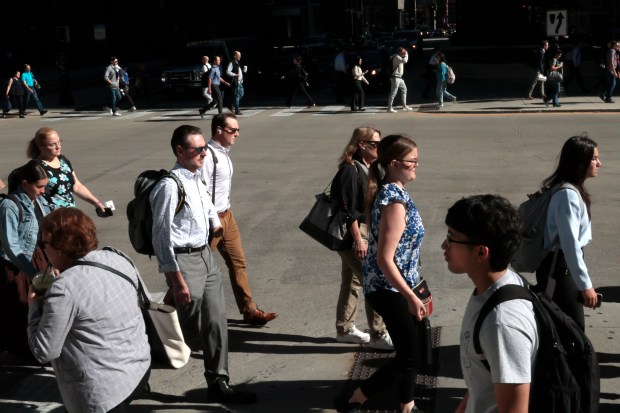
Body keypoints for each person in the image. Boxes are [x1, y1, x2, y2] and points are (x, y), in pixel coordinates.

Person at [150, 124, 256, 404]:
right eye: (197, 149)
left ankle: (219, 381)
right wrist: (176, 279)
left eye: (204, 148)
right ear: (180, 151)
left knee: (216, 322)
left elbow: (208, 206)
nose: (203, 153)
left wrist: (215, 223)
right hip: (183, 260)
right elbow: (161, 238)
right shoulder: (169, 186)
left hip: (205, 257)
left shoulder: (196, 178)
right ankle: (139, 368)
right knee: (181, 325)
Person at [335, 134, 426, 413]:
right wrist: (410, 296)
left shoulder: (390, 190)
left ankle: (407, 405)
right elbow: (385, 258)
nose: (417, 166)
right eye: (413, 161)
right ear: (396, 163)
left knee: (410, 350)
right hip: (391, 288)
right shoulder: (394, 201)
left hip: (401, 282)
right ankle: (357, 397)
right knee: (412, 356)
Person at [27, 208, 151, 413]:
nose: (41, 250)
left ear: (60, 248)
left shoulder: (64, 287)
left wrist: (34, 307)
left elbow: (43, 351)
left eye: (43, 244)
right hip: (138, 368)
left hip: (102, 393)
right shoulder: (118, 257)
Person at [443, 194, 539, 413]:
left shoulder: (502, 324)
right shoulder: (497, 285)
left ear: (480, 252)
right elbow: (483, 377)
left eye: (451, 237)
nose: (444, 245)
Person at [201, 114, 277, 325]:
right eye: (232, 130)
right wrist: (213, 219)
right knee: (196, 270)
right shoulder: (208, 156)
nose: (237, 134)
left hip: (227, 216)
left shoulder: (224, 153)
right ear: (218, 130)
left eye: (237, 130)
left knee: (238, 264)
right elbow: (202, 191)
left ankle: (250, 310)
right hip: (212, 221)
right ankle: (167, 310)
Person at [330, 126, 392, 350]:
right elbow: (347, 210)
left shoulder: (370, 168)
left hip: (364, 231)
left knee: (352, 280)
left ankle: (345, 329)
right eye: (375, 144)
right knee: (373, 282)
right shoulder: (350, 170)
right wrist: (358, 240)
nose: (379, 148)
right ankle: (378, 333)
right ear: (362, 145)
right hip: (353, 233)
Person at [536, 134, 601, 331]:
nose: (599, 163)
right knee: (572, 330)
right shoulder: (567, 196)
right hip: (559, 270)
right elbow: (570, 245)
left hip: (558, 267)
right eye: (594, 158)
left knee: (562, 327)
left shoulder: (570, 190)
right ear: (579, 162)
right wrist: (585, 286)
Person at [0, 160, 49, 357]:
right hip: (15, 264)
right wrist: (31, 273)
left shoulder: (40, 201)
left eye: (45, 186)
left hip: (38, 258)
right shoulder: (9, 206)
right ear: (25, 183)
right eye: (39, 186)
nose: (43, 191)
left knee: (41, 303)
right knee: (19, 305)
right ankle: (20, 349)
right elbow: (10, 245)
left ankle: (38, 345)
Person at [27, 127, 107, 213]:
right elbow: (32, 195)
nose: (58, 147)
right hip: (50, 216)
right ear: (41, 146)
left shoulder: (63, 160)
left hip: (69, 214)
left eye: (59, 142)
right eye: (52, 144)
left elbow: (76, 186)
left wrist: (96, 203)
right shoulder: (36, 166)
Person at [387, 47, 412, 113]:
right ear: (399, 52)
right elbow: (405, 61)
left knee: (404, 89)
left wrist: (405, 54)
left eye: (404, 52)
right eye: (403, 52)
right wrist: (407, 54)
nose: (404, 53)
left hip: (399, 78)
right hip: (395, 78)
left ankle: (404, 105)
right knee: (393, 93)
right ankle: (389, 108)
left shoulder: (398, 57)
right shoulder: (396, 57)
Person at [226, 51, 245, 115]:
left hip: (240, 82)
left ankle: (232, 105)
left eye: (240, 55)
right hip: (235, 82)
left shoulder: (237, 63)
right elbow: (228, 71)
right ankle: (236, 109)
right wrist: (234, 74)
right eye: (239, 55)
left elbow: (239, 71)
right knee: (236, 95)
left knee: (241, 93)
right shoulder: (232, 62)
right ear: (235, 56)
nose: (240, 57)